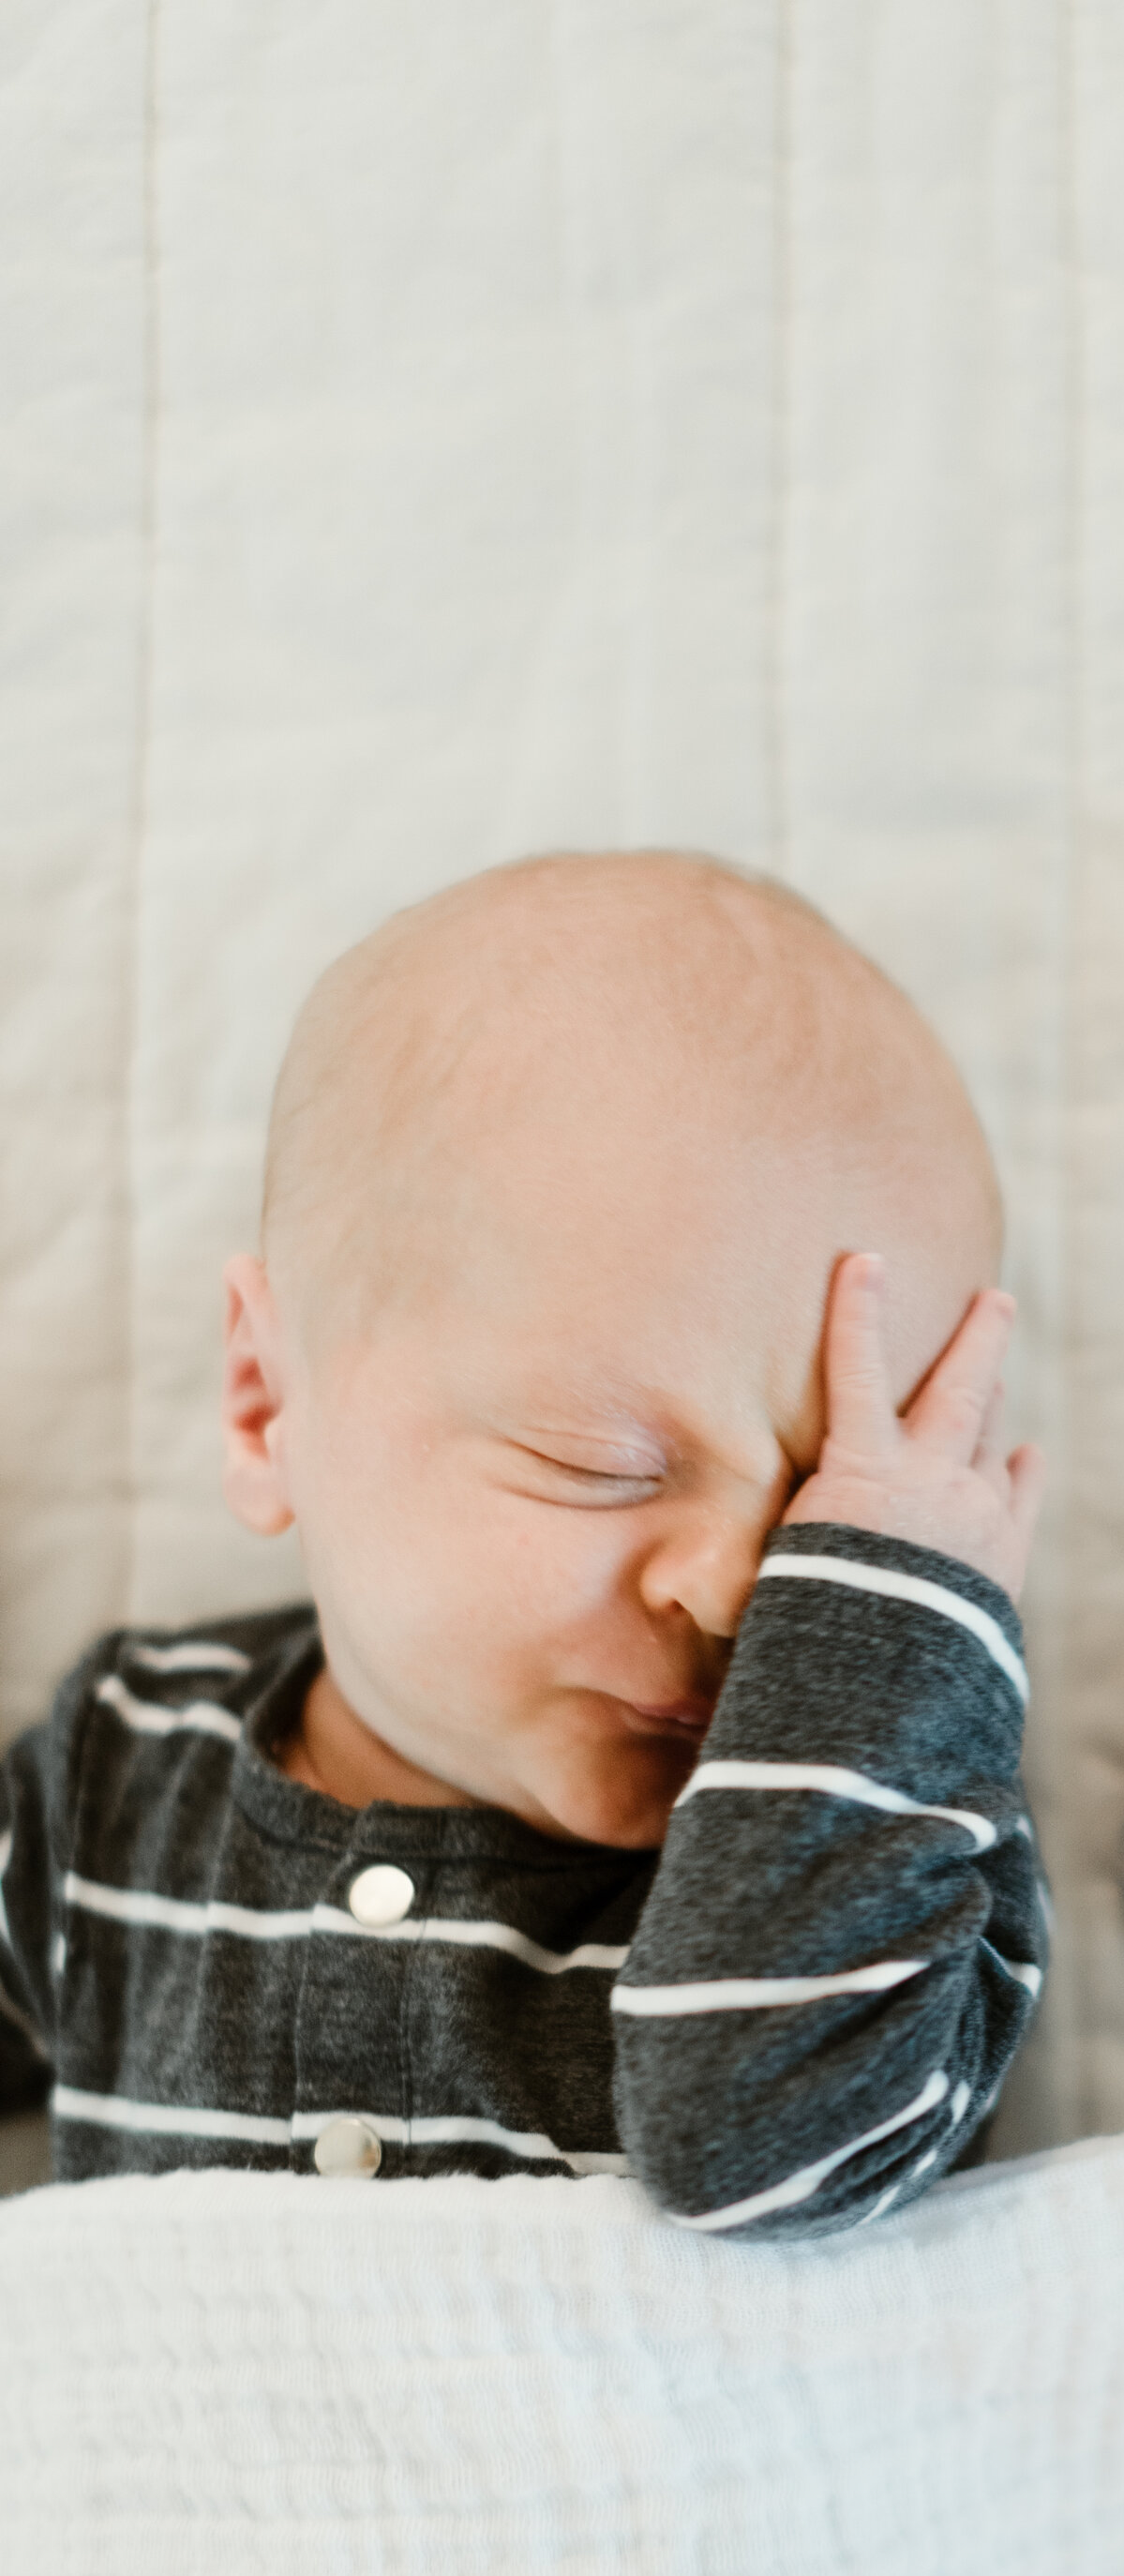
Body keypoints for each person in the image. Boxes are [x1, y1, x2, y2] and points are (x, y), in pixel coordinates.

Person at [0, 850, 1047, 2235]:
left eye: (830, 1516)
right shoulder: (120, 1765)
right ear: (267, 1405)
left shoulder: (892, 1836)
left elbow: (758, 2137)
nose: (740, 1587)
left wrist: (876, 1657)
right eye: (601, 1465)